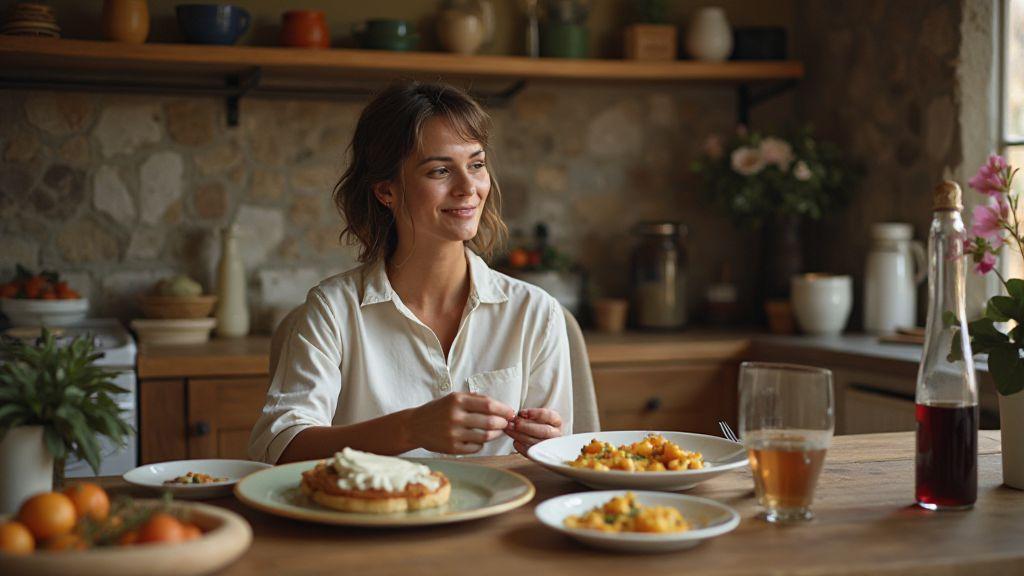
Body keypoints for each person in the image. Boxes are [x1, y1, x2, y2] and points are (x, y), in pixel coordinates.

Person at [248, 81, 573, 464]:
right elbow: (280, 448)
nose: (468, 187)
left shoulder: (536, 313)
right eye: (440, 171)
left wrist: (549, 445)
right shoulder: (332, 311)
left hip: (502, 504)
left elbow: (562, 463)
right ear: (386, 191)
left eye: (476, 164)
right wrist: (412, 428)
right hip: (370, 506)